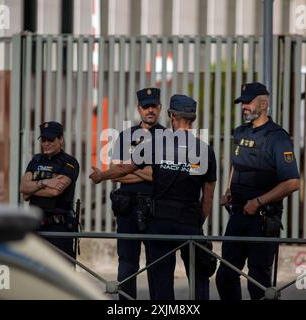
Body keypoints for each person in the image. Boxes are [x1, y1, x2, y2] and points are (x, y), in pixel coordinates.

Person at [90, 94, 217, 300]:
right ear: (192, 117)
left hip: (160, 224)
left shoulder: (157, 144)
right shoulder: (205, 151)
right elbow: (208, 195)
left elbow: (123, 168)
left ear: (171, 115)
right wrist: (197, 221)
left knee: (161, 281)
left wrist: (101, 176)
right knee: (199, 277)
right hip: (190, 222)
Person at [215, 82, 300, 300]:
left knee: (258, 282)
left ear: (264, 103)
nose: (244, 106)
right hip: (238, 215)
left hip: (262, 219)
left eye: (248, 101)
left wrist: (258, 202)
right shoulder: (240, 131)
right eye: (242, 102)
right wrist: (228, 190)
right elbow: (236, 164)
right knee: (225, 275)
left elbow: (292, 182)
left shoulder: (277, 137)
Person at [110, 87, 165, 300]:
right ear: (139, 109)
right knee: (126, 264)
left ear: (160, 108)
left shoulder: (168, 138)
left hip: (156, 209)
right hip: (128, 209)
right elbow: (115, 174)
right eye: (145, 106)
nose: (150, 110)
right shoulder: (126, 137)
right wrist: (148, 170)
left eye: (153, 106)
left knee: (157, 265)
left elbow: (162, 177)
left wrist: (130, 167)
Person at [20, 121, 80, 259]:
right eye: (44, 140)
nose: (46, 143)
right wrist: (45, 182)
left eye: (51, 140)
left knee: (60, 271)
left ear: (60, 140)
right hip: (36, 226)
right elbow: (23, 189)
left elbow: (55, 191)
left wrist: (32, 189)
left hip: (58, 229)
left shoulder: (69, 162)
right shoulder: (36, 160)